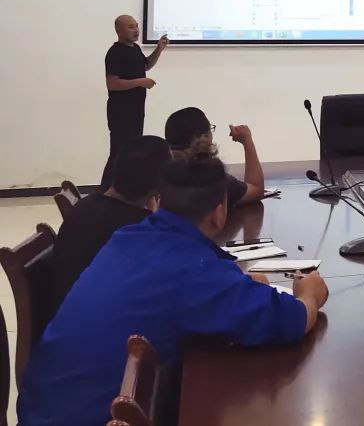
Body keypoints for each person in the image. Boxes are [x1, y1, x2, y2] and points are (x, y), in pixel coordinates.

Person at [17, 157, 329, 426]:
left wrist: (238, 287)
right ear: (219, 212)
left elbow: (180, 289)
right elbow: (289, 321)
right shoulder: (194, 271)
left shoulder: (128, 237)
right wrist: (309, 293)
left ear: (157, 202)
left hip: (42, 409)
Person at [52, 135, 171, 310]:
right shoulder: (139, 227)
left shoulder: (86, 205)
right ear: (159, 186)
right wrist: (155, 217)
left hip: (69, 310)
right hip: (101, 316)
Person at [103, 15, 168, 187]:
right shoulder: (115, 52)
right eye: (131, 27)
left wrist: (159, 49)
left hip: (136, 110)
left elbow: (145, 65)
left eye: (137, 26)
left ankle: (125, 190)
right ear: (119, 31)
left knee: (132, 152)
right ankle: (105, 191)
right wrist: (140, 82)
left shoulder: (135, 49)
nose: (136, 30)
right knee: (119, 153)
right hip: (120, 112)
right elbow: (112, 83)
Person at [166, 107, 265, 206]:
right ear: (204, 138)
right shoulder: (211, 178)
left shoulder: (161, 173)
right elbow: (256, 190)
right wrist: (246, 140)